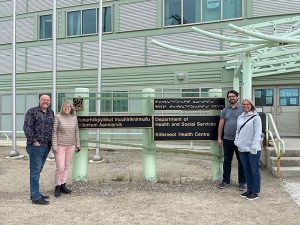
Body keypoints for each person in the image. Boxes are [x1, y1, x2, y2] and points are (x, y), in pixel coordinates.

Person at [23, 94, 54, 205]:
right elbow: (27, 127)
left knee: (38, 170)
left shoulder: (51, 112)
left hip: (46, 146)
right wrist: (34, 141)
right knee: (35, 171)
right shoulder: (32, 111)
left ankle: (35, 192)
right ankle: (36, 197)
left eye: (48, 100)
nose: (46, 101)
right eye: (43, 100)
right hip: (35, 147)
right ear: (39, 101)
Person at [217, 90, 246, 191]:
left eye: (233, 96)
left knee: (241, 161)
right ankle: (225, 181)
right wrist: (219, 137)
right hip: (227, 139)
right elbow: (221, 124)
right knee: (227, 161)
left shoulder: (243, 109)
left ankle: (242, 182)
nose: (231, 98)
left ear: (237, 97)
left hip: (240, 140)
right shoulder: (225, 110)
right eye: (229, 97)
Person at [234, 98, 262, 200]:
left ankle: (255, 192)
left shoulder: (256, 118)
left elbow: (257, 134)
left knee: (254, 170)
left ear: (251, 105)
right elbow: (237, 131)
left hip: (253, 149)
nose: (245, 106)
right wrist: (236, 142)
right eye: (244, 104)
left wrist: (254, 147)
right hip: (242, 148)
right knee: (246, 170)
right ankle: (249, 189)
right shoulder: (240, 117)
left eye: (248, 104)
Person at [52, 101, 80, 197]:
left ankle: (63, 185)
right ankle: (57, 186)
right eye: (65, 106)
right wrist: (54, 145)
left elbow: (76, 132)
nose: (67, 108)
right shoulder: (58, 117)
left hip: (71, 146)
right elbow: (54, 132)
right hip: (60, 145)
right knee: (60, 167)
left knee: (66, 166)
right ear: (62, 108)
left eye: (69, 106)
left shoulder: (74, 118)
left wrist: (78, 144)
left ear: (71, 108)